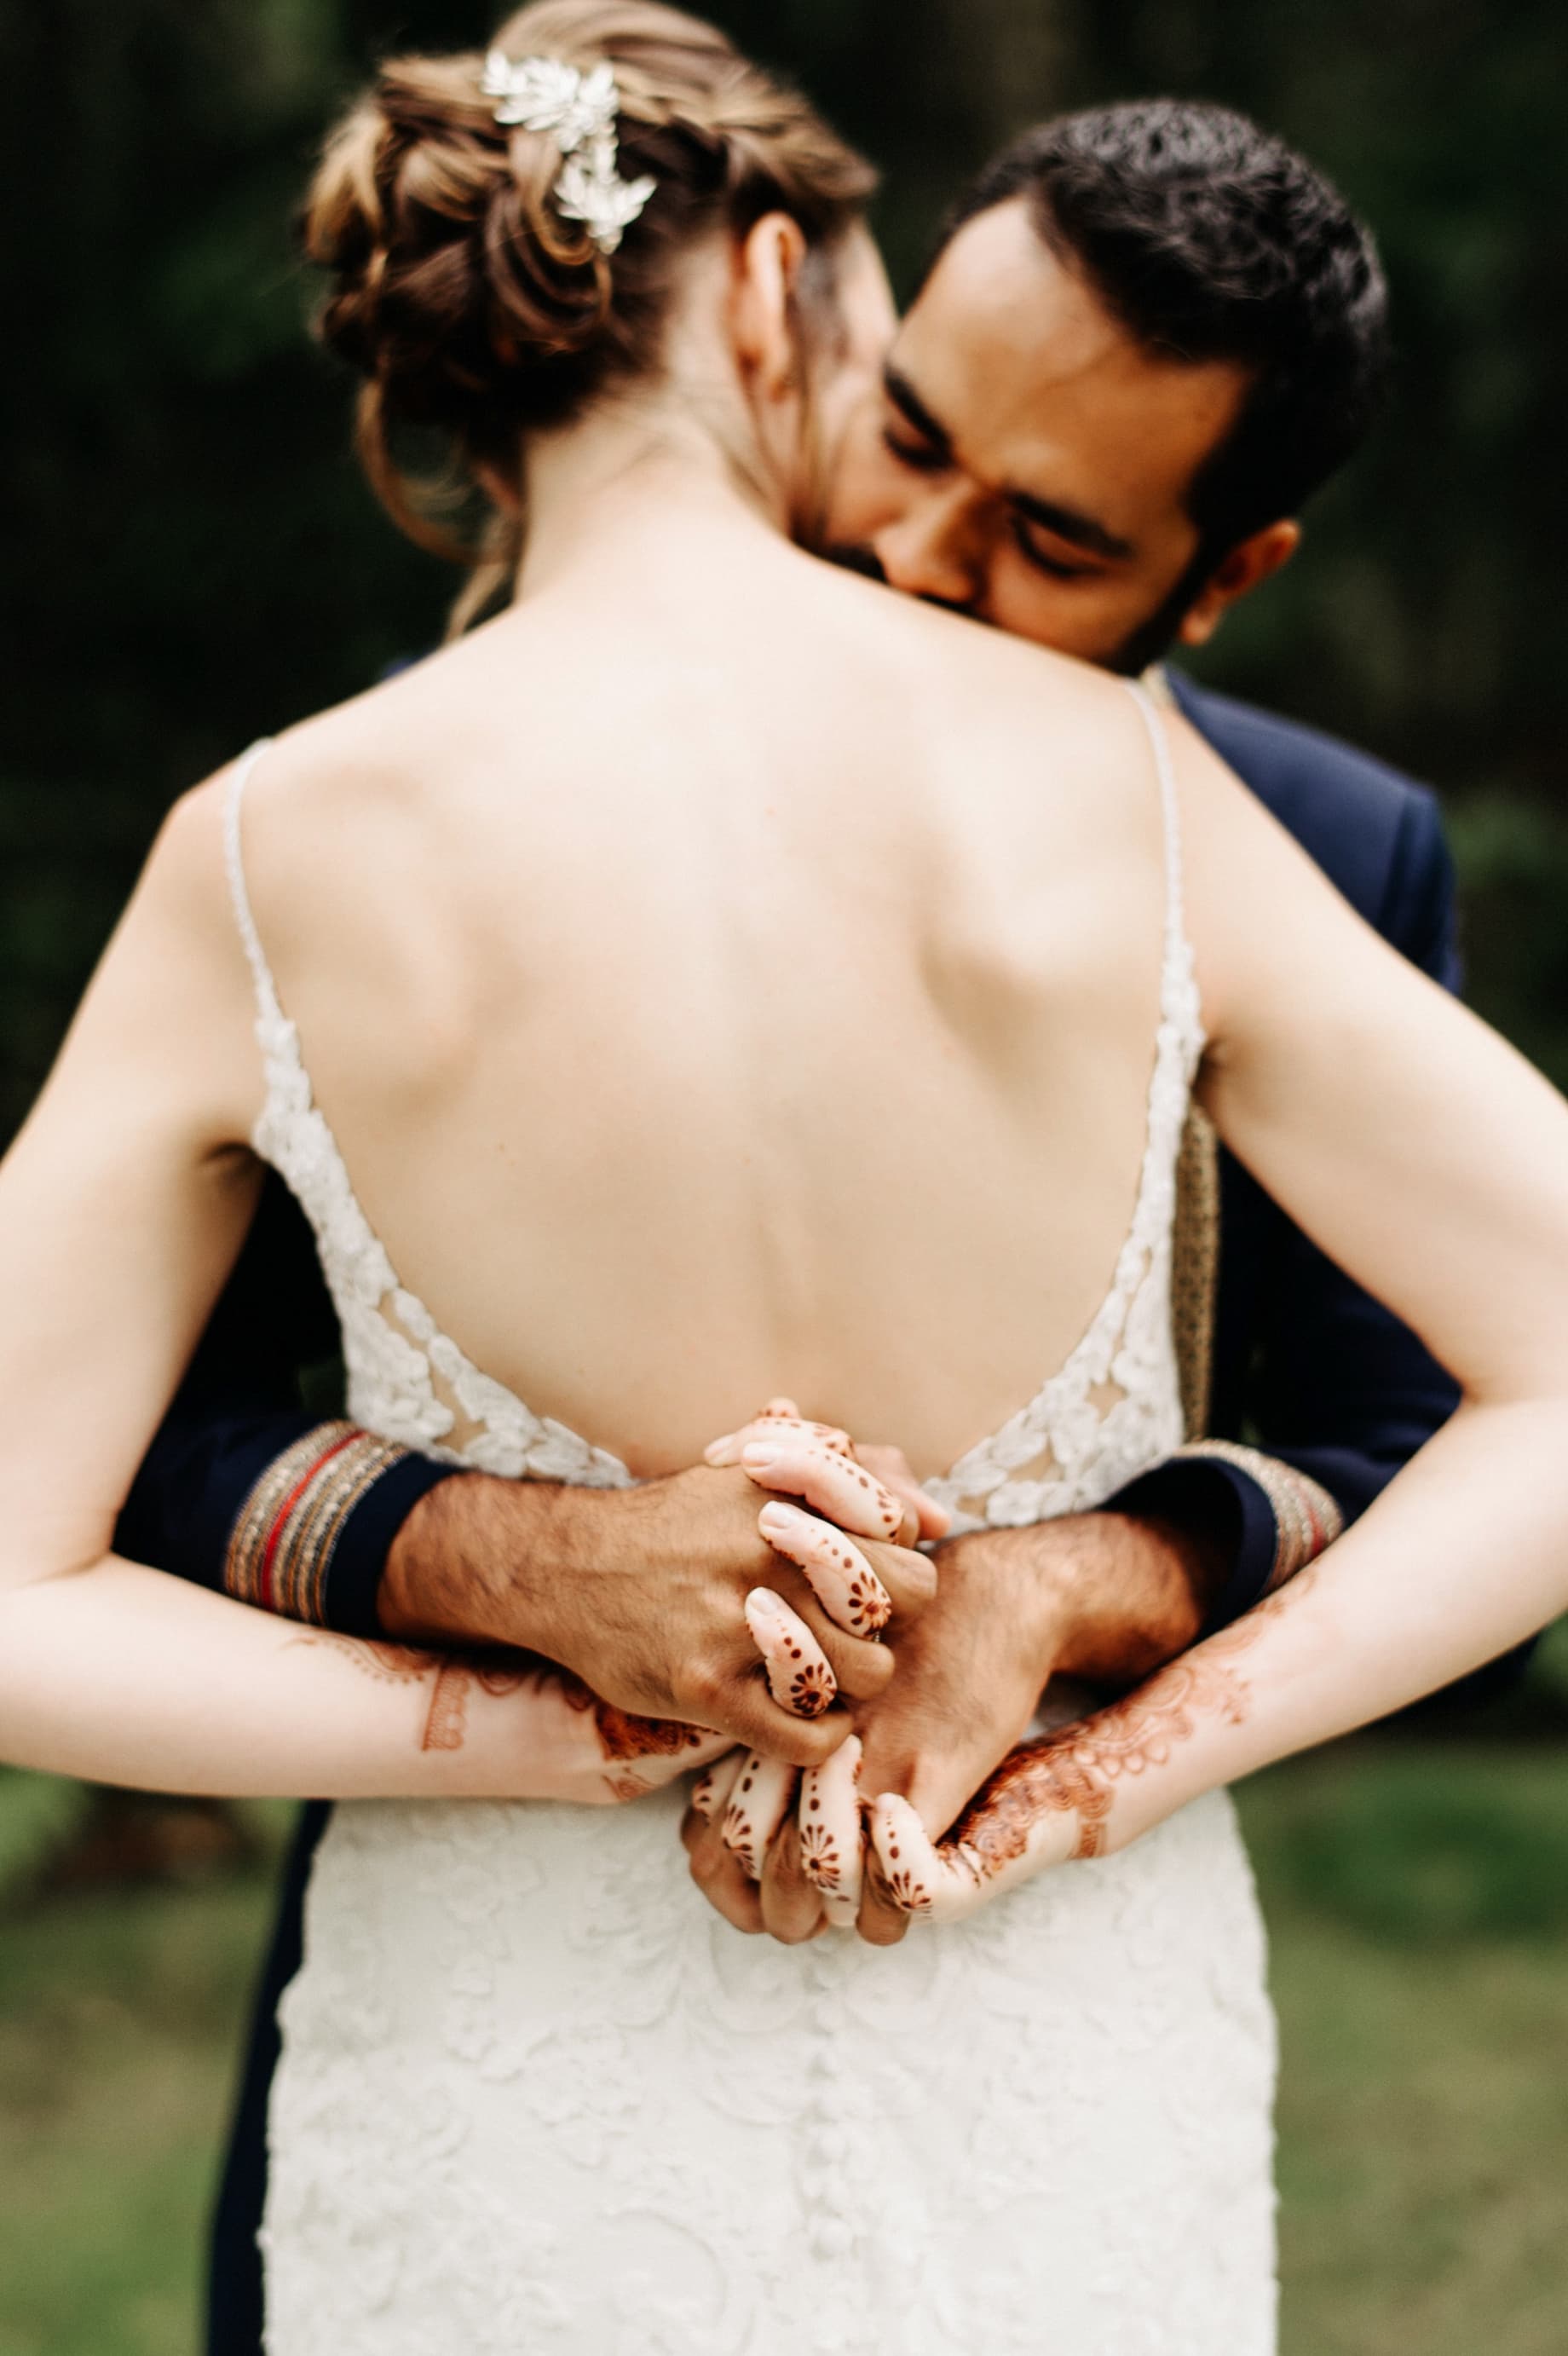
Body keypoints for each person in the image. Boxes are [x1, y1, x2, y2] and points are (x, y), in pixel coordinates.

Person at [6, 9, 1567, 2348]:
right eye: (911, 417)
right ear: (767, 296)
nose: (933, 540)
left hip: (502, 2045)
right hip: (1036, 2002)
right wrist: (1091, 1794)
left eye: (1046, 527)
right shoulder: (1121, 793)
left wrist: (522, 1746)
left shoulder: (260, 850)